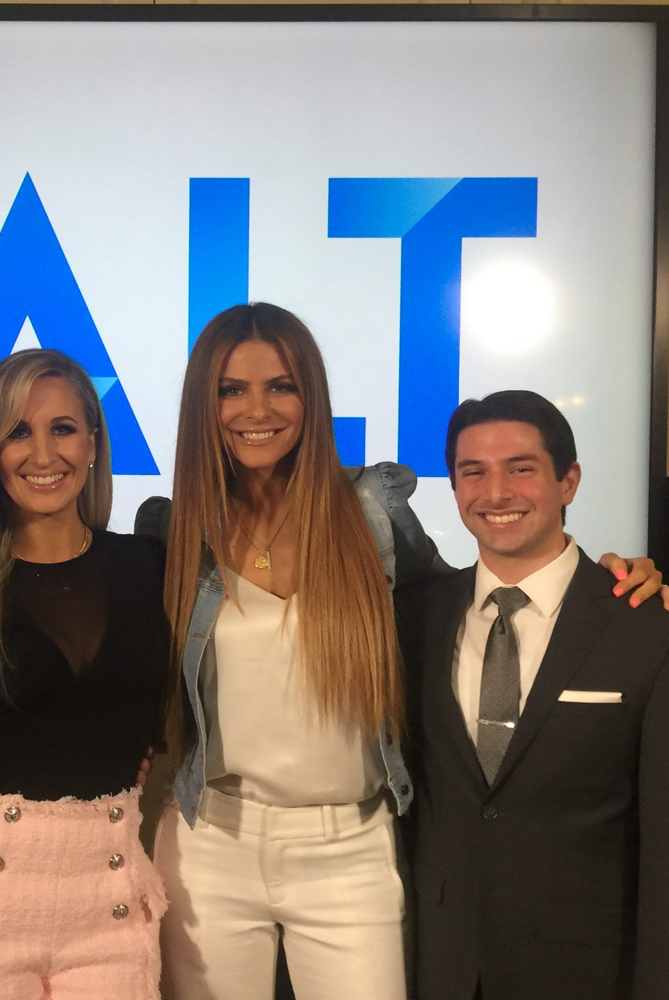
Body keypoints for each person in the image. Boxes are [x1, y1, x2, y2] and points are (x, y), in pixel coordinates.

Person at [135, 303, 664, 1000]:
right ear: (204, 404)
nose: (256, 410)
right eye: (232, 389)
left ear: (311, 396)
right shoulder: (175, 532)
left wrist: (609, 582)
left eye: (281, 386)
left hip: (350, 843)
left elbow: (470, 595)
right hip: (211, 841)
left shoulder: (368, 512)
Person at [0, 349, 169, 1000]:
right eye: (17, 431)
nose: (43, 453)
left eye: (62, 428)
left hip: (111, 912)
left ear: (93, 442)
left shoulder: (151, 568)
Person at [396, 390, 669, 1000]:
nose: (496, 493)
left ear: (568, 481)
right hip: (439, 964)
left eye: (521, 468)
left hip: (586, 968)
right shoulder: (413, 618)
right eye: (473, 472)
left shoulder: (646, 627)